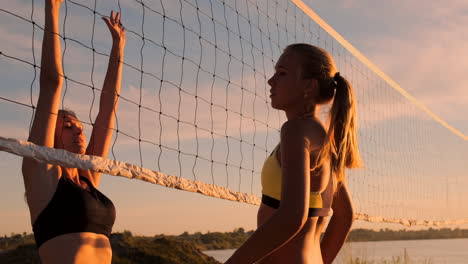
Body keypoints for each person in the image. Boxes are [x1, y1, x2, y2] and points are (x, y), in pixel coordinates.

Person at [225, 43, 361, 264]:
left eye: (282, 73)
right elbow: (345, 215)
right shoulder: (325, 139)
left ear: (308, 86)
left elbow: (291, 217)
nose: (271, 81)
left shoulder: (296, 131)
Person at [21, 0, 126, 263]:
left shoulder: (88, 175)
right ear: (51, 137)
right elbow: (51, 84)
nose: (79, 132)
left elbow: (107, 111)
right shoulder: (42, 172)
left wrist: (118, 49)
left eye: (80, 128)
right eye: (67, 127)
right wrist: (52, 10)